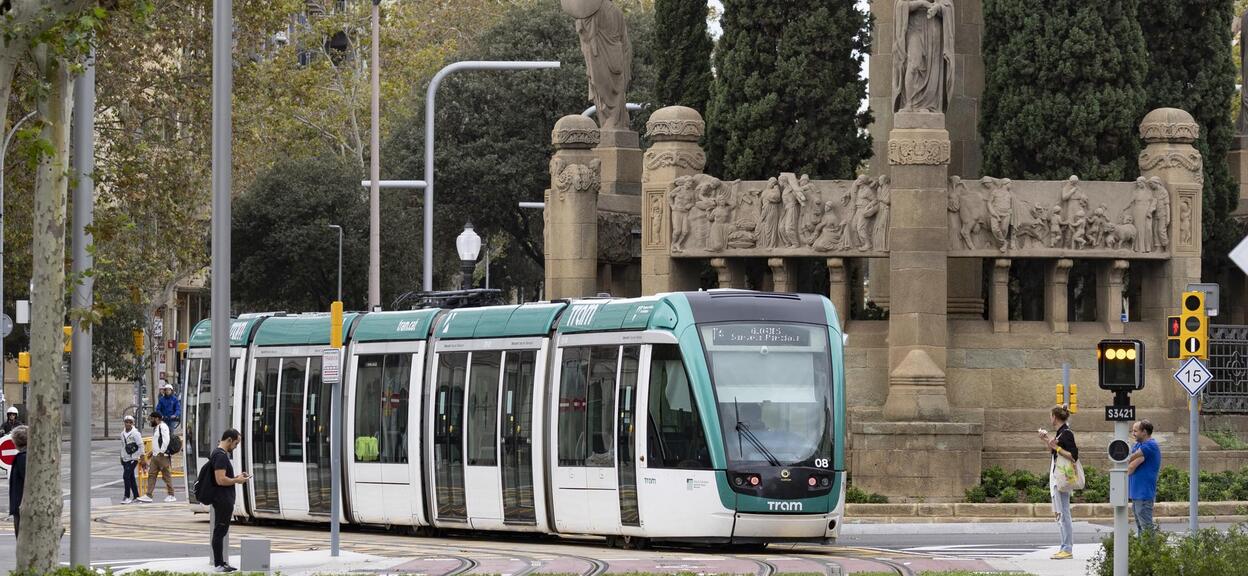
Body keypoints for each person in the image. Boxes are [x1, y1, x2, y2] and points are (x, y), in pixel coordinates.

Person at [1038, 405, 1079, 560]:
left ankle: (1067, 548)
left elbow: (1073, 455)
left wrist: (1056, 447)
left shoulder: (1066, 433)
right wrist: (1047, 440)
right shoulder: (1060, 433)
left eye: (1051, 416)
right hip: (1057, 475)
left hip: (1062, 478)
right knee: (1060, 512)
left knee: (1064, 513)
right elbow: (1055, 452)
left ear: (1055, 417)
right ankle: (1064, 546)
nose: (1050, 419)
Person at [210, 429, 250, 572]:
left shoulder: (218, 454)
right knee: (220, 531)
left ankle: (221, 562)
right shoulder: (220, 456)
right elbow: (220, 480)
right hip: (222, 499)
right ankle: (219, 564)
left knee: (221, 531)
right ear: (229, 440)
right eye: (236, 443)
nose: (236, 446)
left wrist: (237, 477)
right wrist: (237, 480)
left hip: (223, 499)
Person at [1128, 419, 1161, 535]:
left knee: (1146, 528)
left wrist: (1120, 460)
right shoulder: (1138, 444)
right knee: (1141, 527)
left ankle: (1150, 552)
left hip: (1144, 493)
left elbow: (1132, 462)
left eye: (1135, 431)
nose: (1133, 433)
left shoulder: (1151, 445)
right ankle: (1143, 552)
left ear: (1144, 432)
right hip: (1136, 493)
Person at [138, 411, 175, 503]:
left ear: (157, 418)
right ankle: (149, 495)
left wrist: (161, 452)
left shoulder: (163, 427)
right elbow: (157, 441)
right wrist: (152, 452)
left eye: (152, 419)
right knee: (151, 475)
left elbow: (166, 440)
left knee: (166, 476)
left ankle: (171, 495)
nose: (151, 421)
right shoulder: (157, 427)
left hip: (162, 456)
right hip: (155, 456)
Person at [7, 425, 26, 538]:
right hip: (22, 507)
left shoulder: (22, 458)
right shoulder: (26, 456)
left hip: (22, 508)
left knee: (22, 541)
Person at [120, 415, 143, 504]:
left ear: (133, 423)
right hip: (125, 458)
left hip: (134, 458)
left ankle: (126, 496)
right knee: (131, 477)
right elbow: (122, 446)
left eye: (130, 422)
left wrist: (141, 456)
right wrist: (121, 457)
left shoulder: (135, 433)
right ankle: (136, 496)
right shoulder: (122, 434)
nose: (128, 424)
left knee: (126, 476)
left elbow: (141, 445)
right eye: (126, 422)